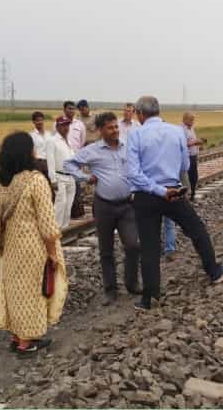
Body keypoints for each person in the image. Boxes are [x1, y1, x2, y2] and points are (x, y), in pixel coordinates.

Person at [127, 96, 223, 311]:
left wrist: (157, 189)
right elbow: (185, 165)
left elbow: (133, 173)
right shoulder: (176, 132)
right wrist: (167, 185)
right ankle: (214, 271)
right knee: (197, 230)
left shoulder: (135, 134)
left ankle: (150, 298)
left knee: (150, 246)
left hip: (146, 195)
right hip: (174, 192)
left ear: (140, 113)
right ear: (159, 111)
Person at [0, 131, 67, 355]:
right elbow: (47, 223)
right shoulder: (36, 180)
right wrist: (53, 253)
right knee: (32, 293)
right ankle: (26, 343)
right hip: (33, 247)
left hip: (8, 245)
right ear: (26, 152)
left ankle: (17, 337)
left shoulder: (0, 180)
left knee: (14, 290)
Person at [64, 112, 141, 305]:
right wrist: (85, 177)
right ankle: (110, 290)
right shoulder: (92, 150)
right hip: (104, 206)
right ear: (100, 130)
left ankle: (131, 283)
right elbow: (68, 164)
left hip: (127, 205)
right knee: (106, 250)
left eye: (116, 126)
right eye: (110, 127)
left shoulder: (128, 146)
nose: (115, 130)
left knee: (133, 245)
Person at [46, 116, 76, 229]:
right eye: (63, 125)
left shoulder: (69, 141)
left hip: (71, 177)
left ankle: (65, 228)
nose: (66, 127)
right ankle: (55, 228)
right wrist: (53, 180)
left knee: (68, 205)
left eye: (67, 125)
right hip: (59, 176)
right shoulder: (52, 141)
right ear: (58, 127)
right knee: (60, 204)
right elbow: (50, 161)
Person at [181, 112, 202, 201]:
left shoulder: (191, 128)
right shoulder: (181, 130)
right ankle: (187, 197)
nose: (193, 121)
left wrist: (197, 143)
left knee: (194, 177)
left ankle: (192, 195)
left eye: (193, 120)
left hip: (193, 156)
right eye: (191, 119)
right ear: (185, 119)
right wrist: (194, 142)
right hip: (186, 157)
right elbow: (182, 144)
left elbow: (192, 141)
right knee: (187, 177)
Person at [30, 111, 51, 178]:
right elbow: (32, 152)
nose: (40, 122)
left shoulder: (49, 134)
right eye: (37, 120)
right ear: (33, 122)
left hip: (49, 163)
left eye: (41, 120)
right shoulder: (31, 136)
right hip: (38, 164)